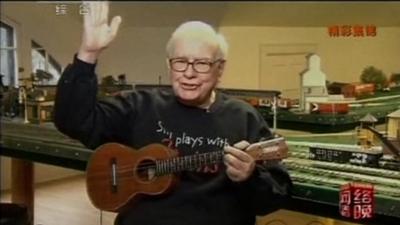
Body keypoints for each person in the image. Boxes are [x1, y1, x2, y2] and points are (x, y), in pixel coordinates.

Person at [54, 2, 292, 225]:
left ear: (220, 69)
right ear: (169, 65)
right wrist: (88, 55)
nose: (189, 73)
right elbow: (72, 120)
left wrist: (249, 177)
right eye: (181, 62)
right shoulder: (140, 106)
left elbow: (273, 197)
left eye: (201, 63)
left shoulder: (244, 117)